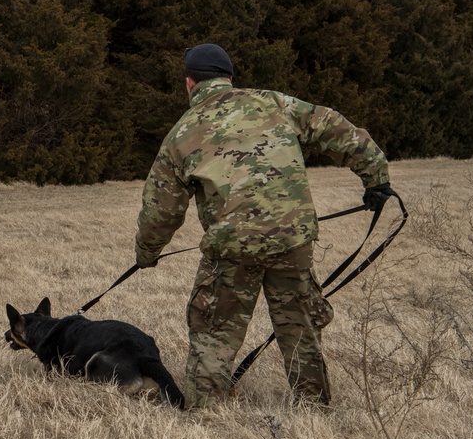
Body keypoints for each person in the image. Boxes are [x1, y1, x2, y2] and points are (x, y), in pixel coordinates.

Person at [134, 43, 394, 409]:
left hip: (231, 250)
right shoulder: (273, 103)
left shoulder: (182, 133)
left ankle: (208, 416)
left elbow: (161, 210)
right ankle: (315, 407)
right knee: (300, 327)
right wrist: (375, 177)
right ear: (228, 78)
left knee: (213, 331)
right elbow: (334, 127)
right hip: (292, 241)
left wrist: (146, 253)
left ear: (189, 84)